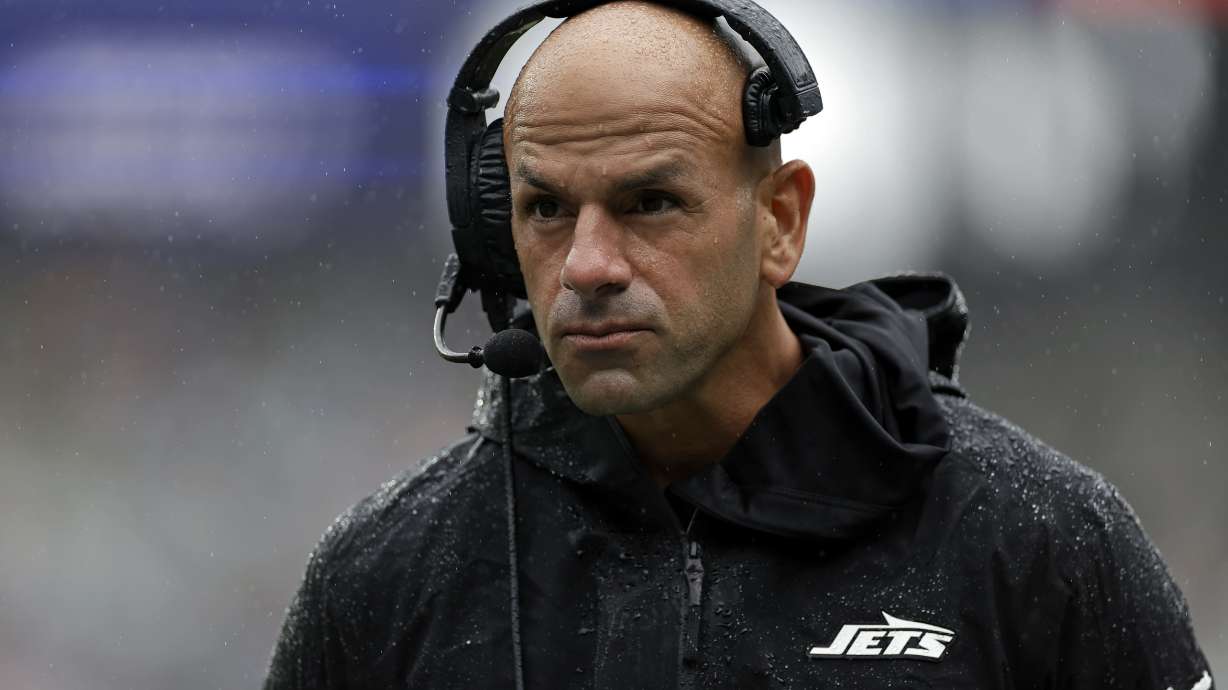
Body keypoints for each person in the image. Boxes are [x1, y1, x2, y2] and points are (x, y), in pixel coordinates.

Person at [263, 2, 1214, 688]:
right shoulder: (385, 578)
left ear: (780, 222)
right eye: (545, 208)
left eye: (651, 203)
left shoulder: (1039, 542)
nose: (588, 264)